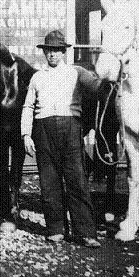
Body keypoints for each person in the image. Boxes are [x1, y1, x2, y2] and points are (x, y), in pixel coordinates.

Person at [21, 30, 102, 248]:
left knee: (77, 180)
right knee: (49, 181)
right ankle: (55, 229)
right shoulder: (37, 77)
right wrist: (26, 134)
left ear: (63, 52)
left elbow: (98, 87)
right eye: (49, 51)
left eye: (57, 50)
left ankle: (85, 232)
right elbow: (28, 106)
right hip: (43, 130)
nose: (53, 55)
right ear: (44, 53)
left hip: (71, 128)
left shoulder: (76, 73)